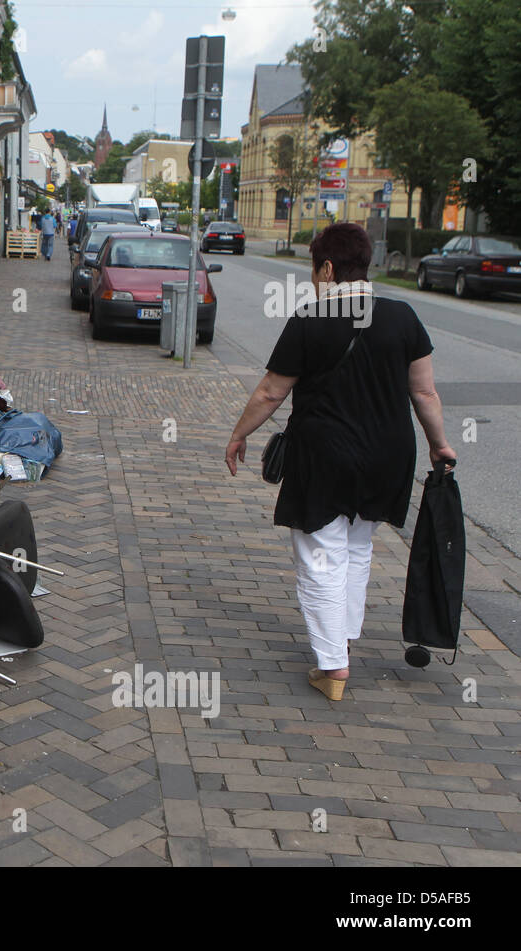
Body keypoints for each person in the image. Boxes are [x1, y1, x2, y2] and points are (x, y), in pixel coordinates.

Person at [223, 223, 455, 701]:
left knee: (320, 555)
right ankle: (342, 639)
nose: (313, 279)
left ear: (327, 268)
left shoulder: (310, 318)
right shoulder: (403, 317)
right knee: (357, 548)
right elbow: (424, 392)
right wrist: (440, 445)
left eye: (314, 269)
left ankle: (333, 666)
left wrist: (238, 434)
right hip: (388, 456)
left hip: (324, 456)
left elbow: (271, 391)